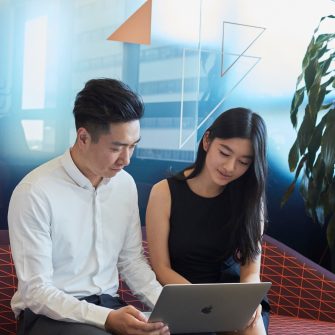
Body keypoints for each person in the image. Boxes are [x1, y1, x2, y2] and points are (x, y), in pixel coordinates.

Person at [8, 78, 170, 335]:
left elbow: (131, 261)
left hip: (110, 305)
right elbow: (36, 292)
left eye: (133, 146)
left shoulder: (124, 185)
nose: (126, 159)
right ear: (83, 137)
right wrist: (106, 318)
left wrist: (167, 308)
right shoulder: (35, 192)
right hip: (49, 315)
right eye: (117, 148)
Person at [146, 107, 270, 335]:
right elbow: (161, 268)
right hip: (181, 297)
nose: (230, 167)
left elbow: (251, 272)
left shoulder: (250, 200)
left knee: (252, 329)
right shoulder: (164, 193)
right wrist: (203, 303)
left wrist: (249, 303)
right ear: (207, 141)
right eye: (224, 153)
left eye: (243, 162)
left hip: (232, 297)